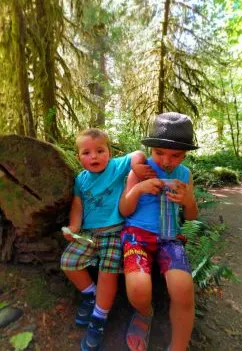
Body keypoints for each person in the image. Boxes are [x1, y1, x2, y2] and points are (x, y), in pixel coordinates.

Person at [60, 128, 155, 351]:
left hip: (114, 231)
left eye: (100, 151)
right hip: (88, 233)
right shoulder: (81, 180)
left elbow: (137, 154)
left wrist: (136, 165)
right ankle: (91, 295)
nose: (94, 156)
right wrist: (73, 227)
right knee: (68, 262)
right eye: (86, 153)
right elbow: (77, 205)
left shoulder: (116, 167)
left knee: (109, 271)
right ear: (78, 158)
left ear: (109, 153)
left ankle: (98, 319)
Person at [119, 112, 199, 351]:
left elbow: (192, 216)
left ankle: (178, 345)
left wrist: (188, 200)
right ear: (151, 149)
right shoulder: (141, 170)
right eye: (159, 153)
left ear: (185, 155)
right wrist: (139, 189)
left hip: (169, 239)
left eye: (175, 156)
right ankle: (145, 314)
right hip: (137, 235)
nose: (166, 161)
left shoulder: (184, 175)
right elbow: (124, 209)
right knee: (138, 288)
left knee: (183, 288)